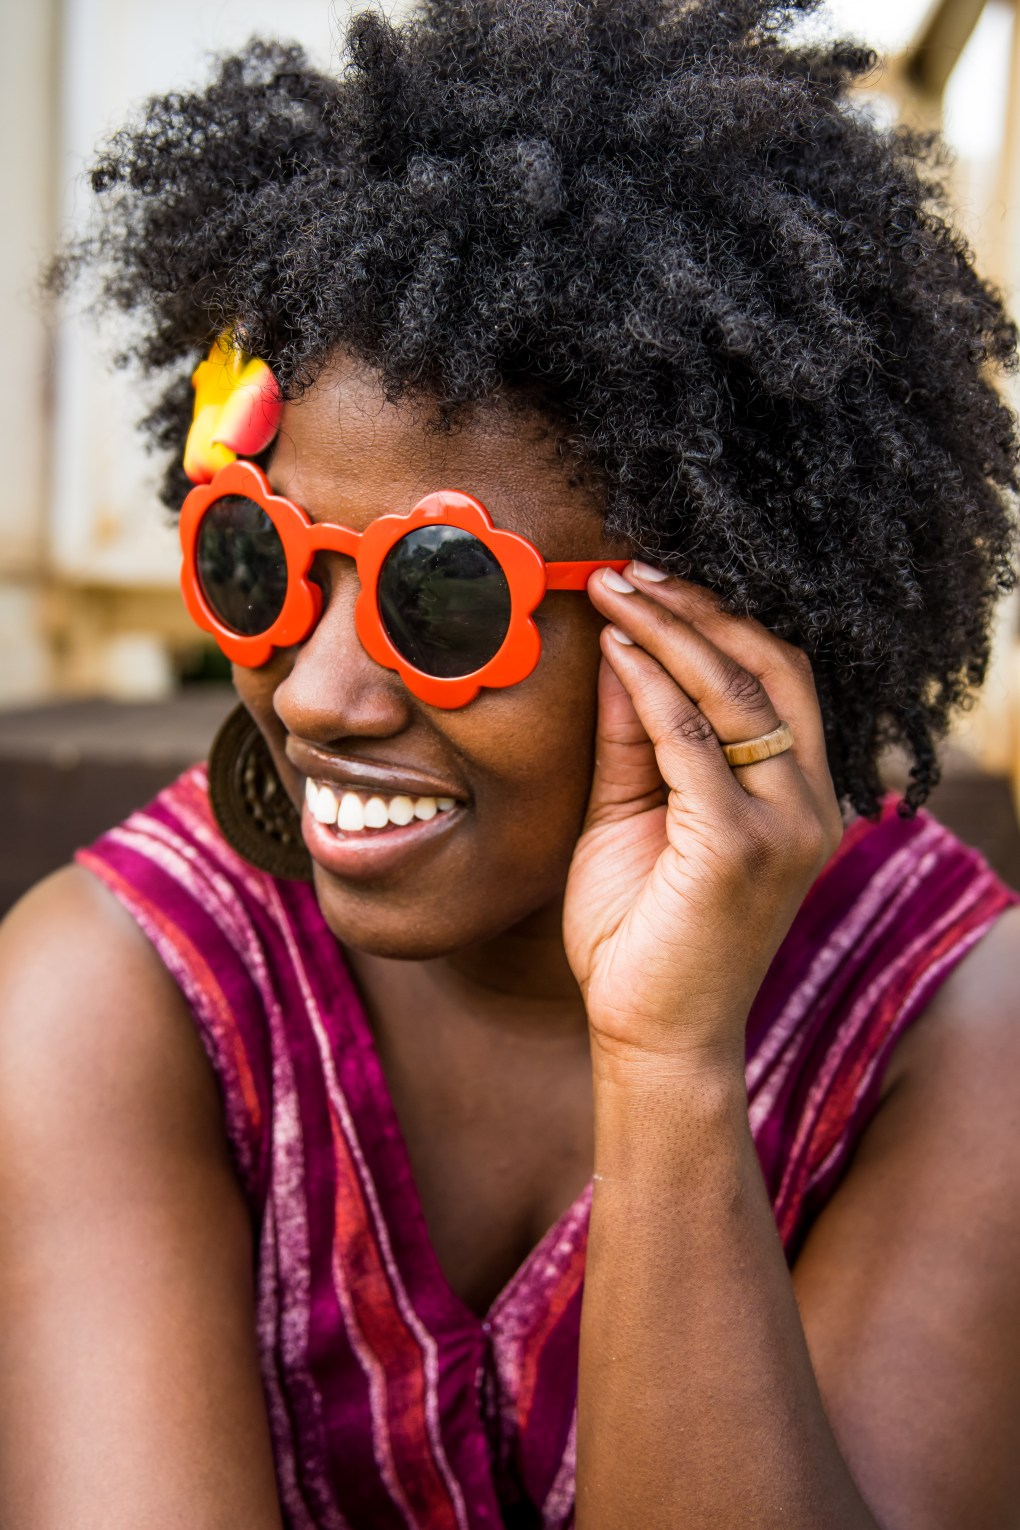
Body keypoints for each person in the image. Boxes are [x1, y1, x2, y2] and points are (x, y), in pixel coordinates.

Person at [2, 0, 1019, 1524]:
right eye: (258, 559)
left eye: (440, 594)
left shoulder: (954, 1025)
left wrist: (669, 1065)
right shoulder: (111, 991)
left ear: (720, 616)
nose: (320, 694)